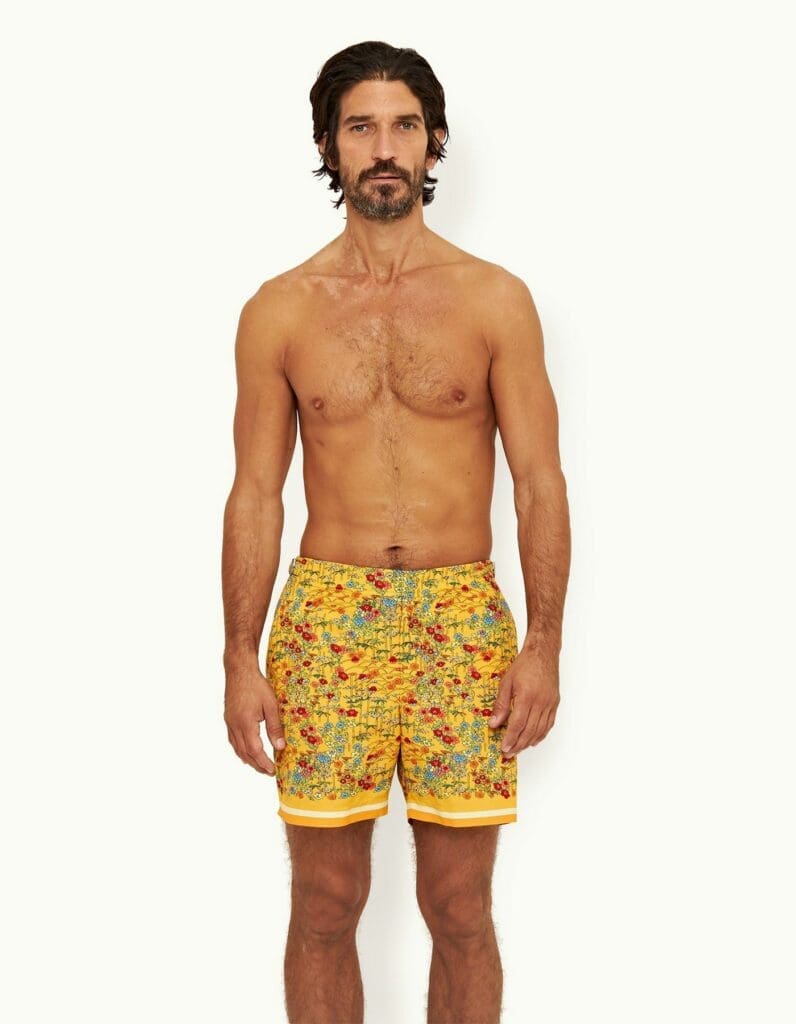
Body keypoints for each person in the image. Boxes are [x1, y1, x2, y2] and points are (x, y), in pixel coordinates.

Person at [221, 39, 571, 1024]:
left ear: (434, 141)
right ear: (328, 147)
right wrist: (239, 655)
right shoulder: (278, 310)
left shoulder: (494, 299)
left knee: (458, 906)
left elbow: (539, 482)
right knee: (324, 902)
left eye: (404, 125)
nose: (384, 148)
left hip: (461, 619)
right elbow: (255, 493)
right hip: (327, 614)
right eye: (361, 127)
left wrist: (544, 643)